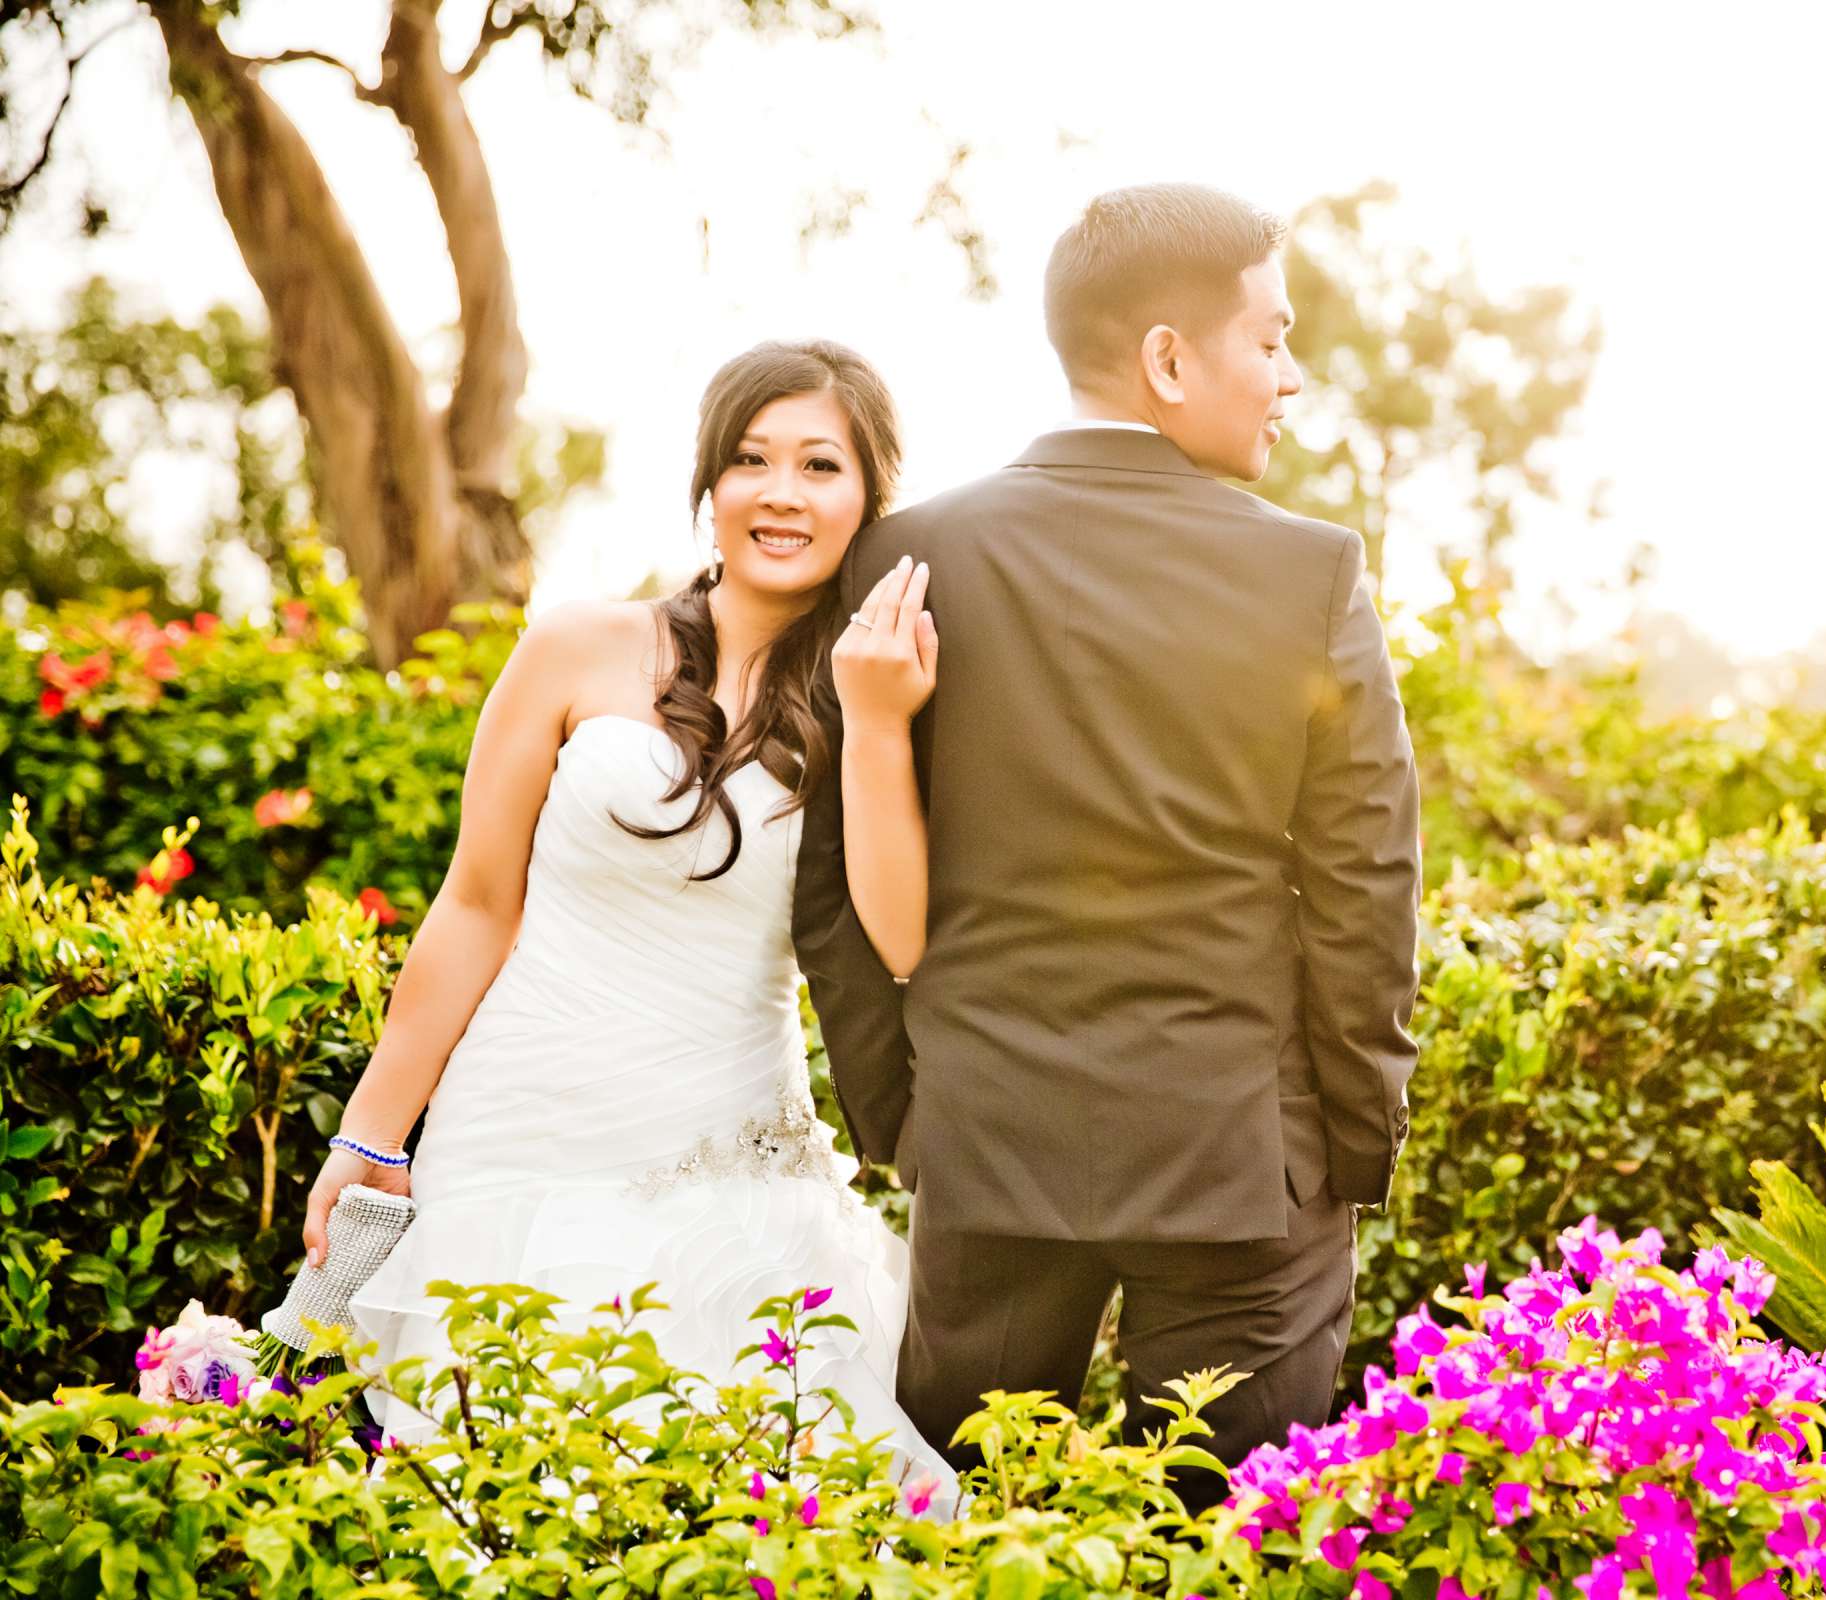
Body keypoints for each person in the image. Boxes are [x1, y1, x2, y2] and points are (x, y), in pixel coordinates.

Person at [794, 182, 1423, 1505]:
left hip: (987, 1147)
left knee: (968, 1540)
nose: (1291, 377)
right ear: (1169, 359)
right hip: (1248, 1169)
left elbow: (834, 882)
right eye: (1272, 339)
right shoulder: (1311, 574)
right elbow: (1366, 876)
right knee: (1231, 1547)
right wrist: (1347, 1154)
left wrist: (910, 1122)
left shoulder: (911, 558)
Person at [310, 341, 949, 1490]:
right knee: (501, 1496)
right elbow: (475, 902)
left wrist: (885, 722)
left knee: (757, 1496)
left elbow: (902, 941)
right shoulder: (572, 645)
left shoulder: (878, 697)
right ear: (710, 483)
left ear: (871, 498)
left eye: (820, 464)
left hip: (731, 1164)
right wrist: (370, 1135)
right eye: (751, 459)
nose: (782, 493)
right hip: (516, 1140)